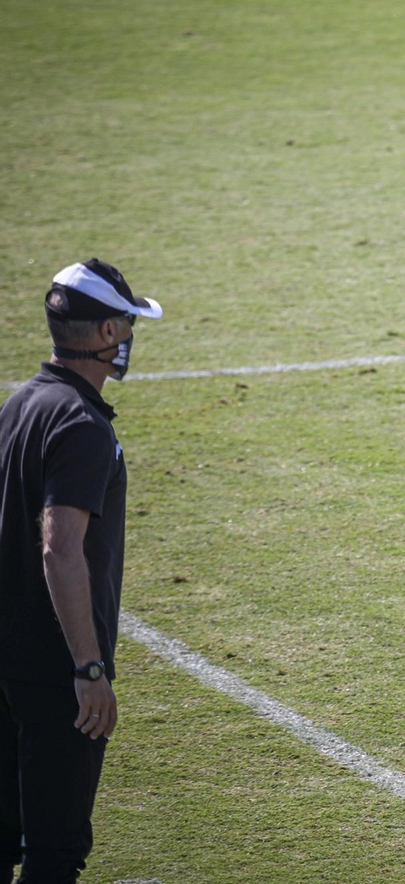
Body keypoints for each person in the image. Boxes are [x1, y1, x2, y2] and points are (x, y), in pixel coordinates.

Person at [0, 259, 163, 882]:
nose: (128, 337)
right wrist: (88, 669)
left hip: (5, 660)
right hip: (52, 673)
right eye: (124, 323)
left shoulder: (20, 404)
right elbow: (59, 548)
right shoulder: (83, 425)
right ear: (102, 336)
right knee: (54, 852)